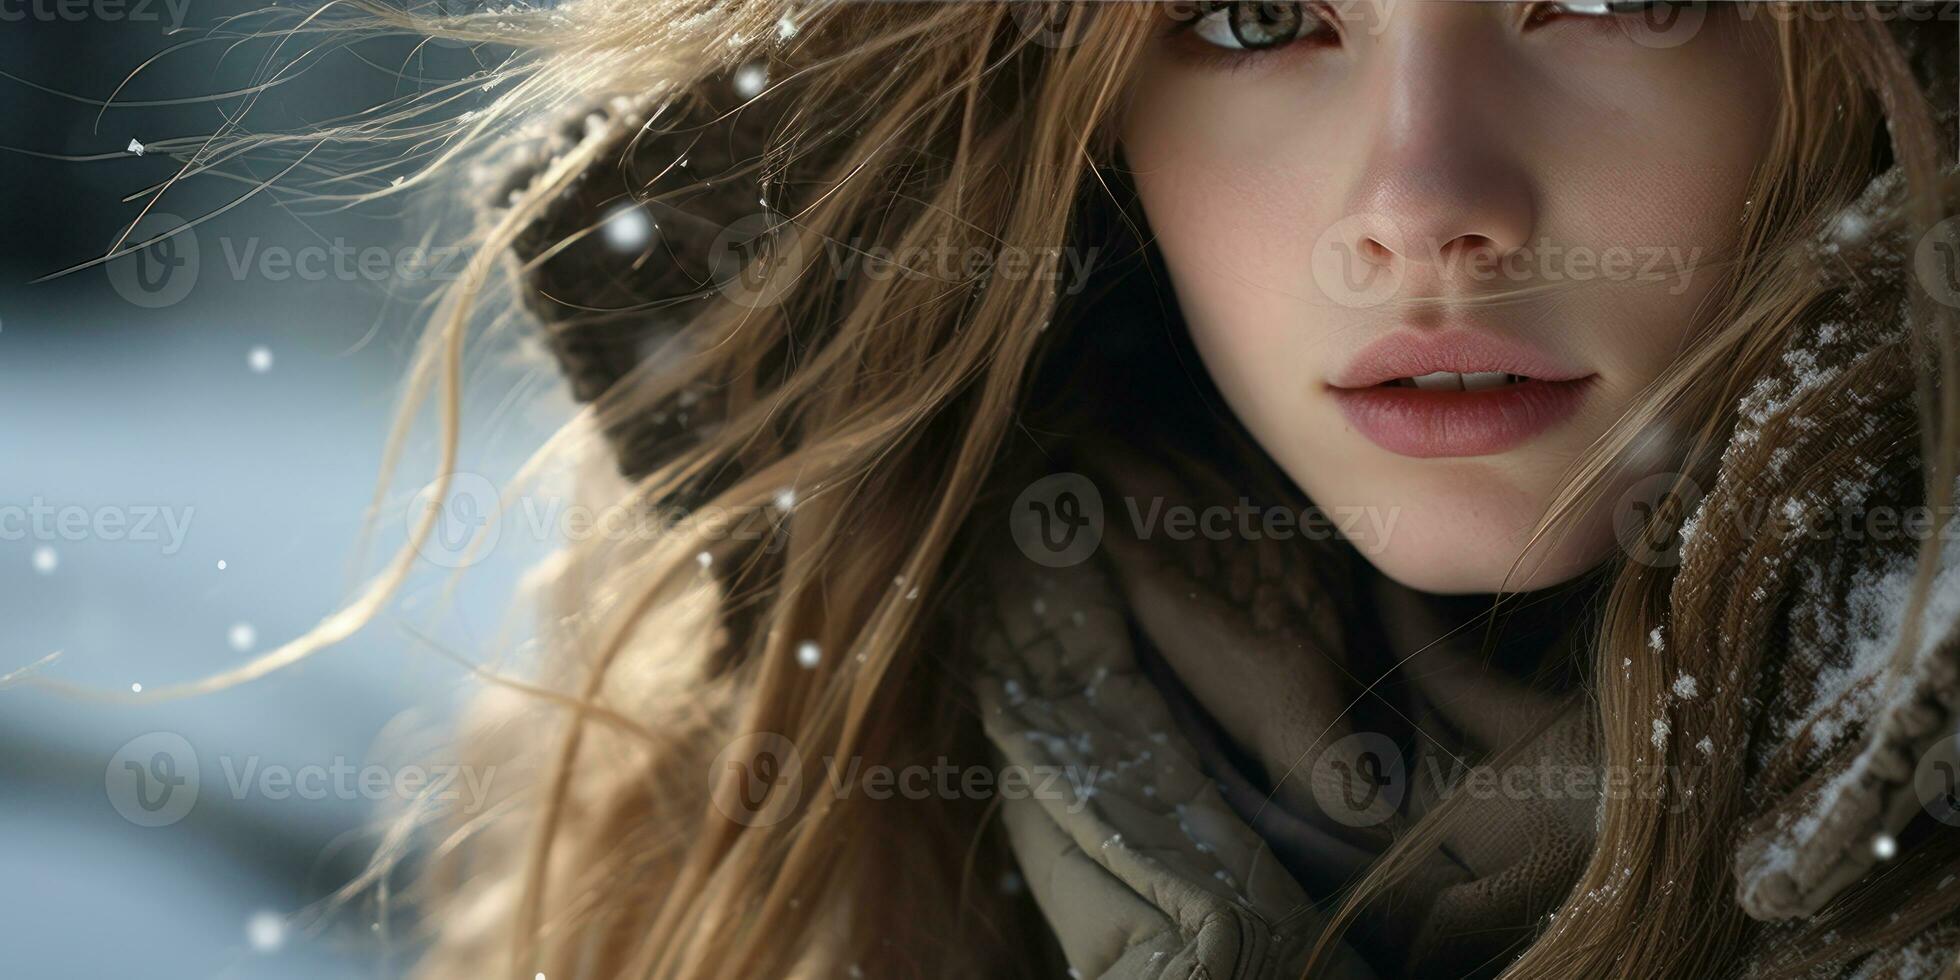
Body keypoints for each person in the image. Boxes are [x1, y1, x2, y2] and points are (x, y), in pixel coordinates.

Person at [248, 2, 1960, 976]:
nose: (1427, 198)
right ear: (1074, 110)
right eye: (1253, 15)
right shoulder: (819, 808)